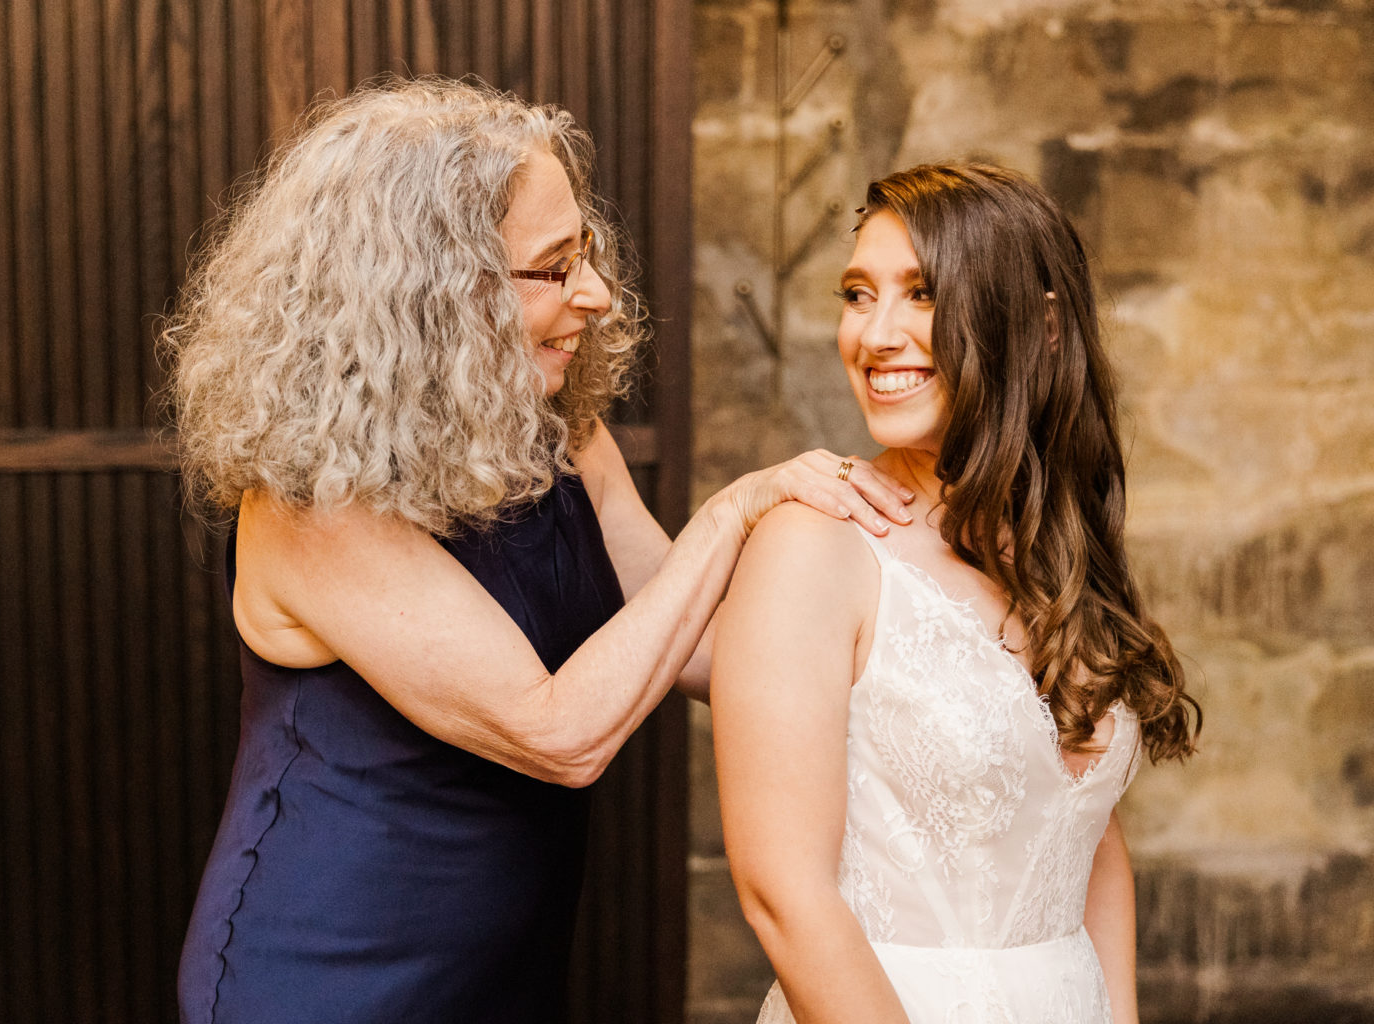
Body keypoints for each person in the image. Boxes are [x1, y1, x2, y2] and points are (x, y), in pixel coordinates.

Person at [167, 78, 912, 1024]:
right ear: (432, 290)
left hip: (502, 962)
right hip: (323, 970)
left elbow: (691, 644)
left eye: (586, 254)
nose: (597, 294)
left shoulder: (557, 431)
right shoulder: (312, 505)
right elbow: (560, 735)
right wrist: (732, 515)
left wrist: (947, 645)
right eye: (555, 267)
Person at [711, 163, 1202, 1024]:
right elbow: (783, 895)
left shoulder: (1059, 547)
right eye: (859, 294)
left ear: (1042, 327)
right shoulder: (815, 546)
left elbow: (1082, 834)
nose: (876, 334)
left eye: (923, 294)